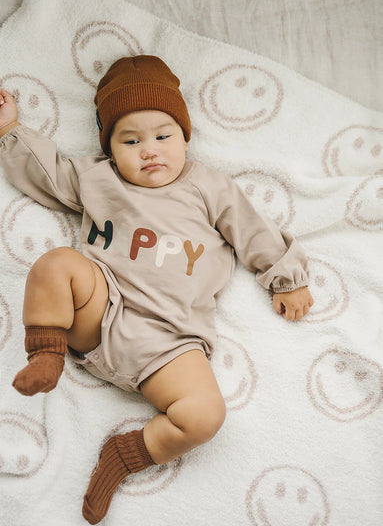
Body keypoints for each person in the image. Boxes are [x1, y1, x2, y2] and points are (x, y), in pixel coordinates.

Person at [0, 55, 313, 524]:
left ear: (185, 136)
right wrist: (10, 130)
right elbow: (46, 175)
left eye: (163, 136)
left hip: (170, 341)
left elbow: (251, 228)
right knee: (56, 263)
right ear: (110, 148)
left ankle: (124, 455)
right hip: (100, 310)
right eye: (131, 140)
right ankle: (46, 352)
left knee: (205, 416)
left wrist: (285, 277)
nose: (150, 151)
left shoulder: (208, 185)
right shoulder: (97, 177)